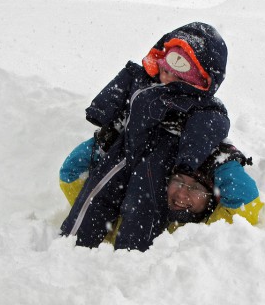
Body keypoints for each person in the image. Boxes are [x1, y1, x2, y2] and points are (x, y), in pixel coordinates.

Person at [60, 22, 231, 251]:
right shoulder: (142, 78)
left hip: (157, 163)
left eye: (178, 77)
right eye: (165, 70)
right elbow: (123, 83)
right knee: (97, 194)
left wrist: (188, 160)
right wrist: (102, 112)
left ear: (200, 82)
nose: (167, 77)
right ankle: (72, 244)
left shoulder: (203, 107)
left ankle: (132, 259)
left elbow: (208, 127)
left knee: (143, 208)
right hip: (124, 151)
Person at [59, 140, 264, 246]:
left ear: (214, 196)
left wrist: (222, 163)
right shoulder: (128, 209)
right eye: (178, 182)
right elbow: (71, 174)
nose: (182, 195)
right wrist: (111, 146)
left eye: (196, 189)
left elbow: (245, 199)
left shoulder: (212, 231)